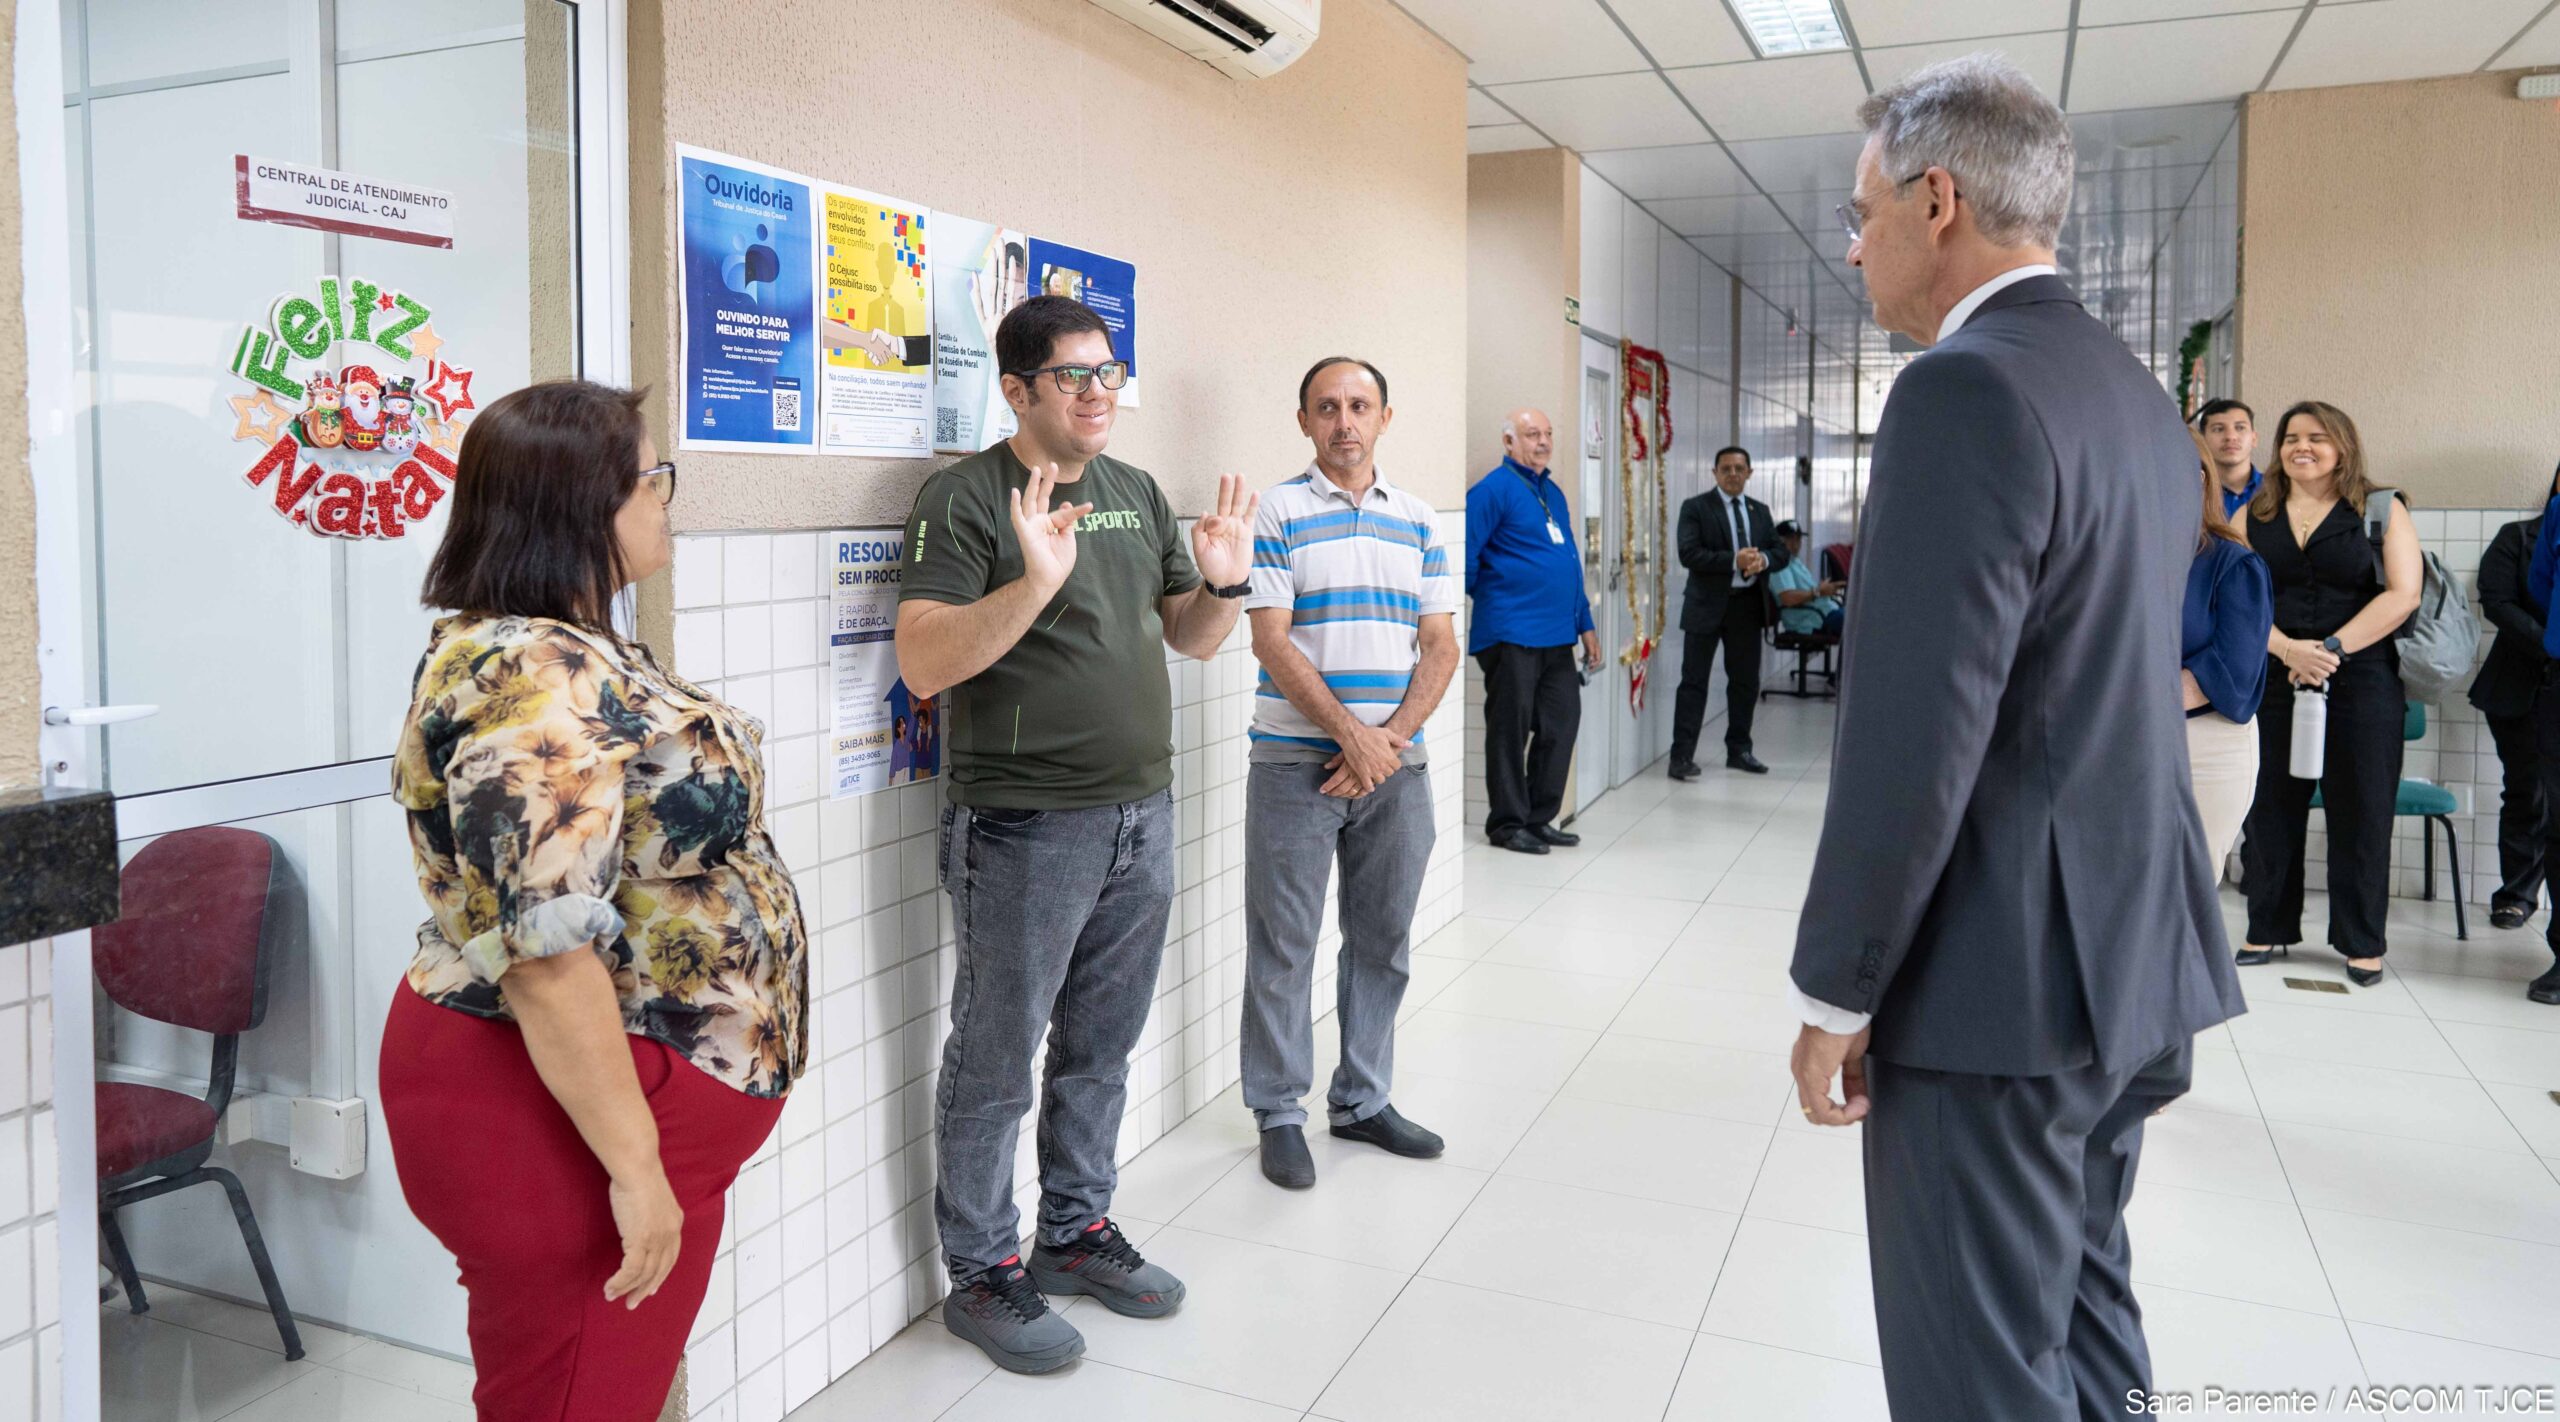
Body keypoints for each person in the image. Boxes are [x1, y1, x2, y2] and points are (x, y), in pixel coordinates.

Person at [1786, 55, 2244, 1421]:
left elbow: (1916, 737)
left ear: (1937, 201)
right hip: (2130, 956)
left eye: (1863, 211)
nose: (1853, 245)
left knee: (1978, 1374)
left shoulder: (1961, 391)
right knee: (2083, 1316)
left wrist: (1837, 993)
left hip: (2001, 986)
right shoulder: (2129, 395)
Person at [379, 381, 807, 1420]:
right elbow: (542, 948)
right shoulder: (532, 672)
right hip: (559, 1110)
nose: (665, 498)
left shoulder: (565, 643)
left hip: (605, 1101)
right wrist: (636, 1166)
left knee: (595, 1387)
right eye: (651, 478)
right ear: (580, 506)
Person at [895, 294, 1256, 1373]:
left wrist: (1227, 583)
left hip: (1142, 811)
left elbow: (1193, 637)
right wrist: (1031, 584)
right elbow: (923, 660)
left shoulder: (1133, 491)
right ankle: (981, 1273)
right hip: (1023, 827)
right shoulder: (964, 498)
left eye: (1109, 372)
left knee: (1100, 1047)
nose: (1099, 393)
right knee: (997, 1059)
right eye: (1073, 375)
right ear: (1016, 389)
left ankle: (1074, 1231)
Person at [1240, 356, 1459, 1190]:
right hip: (1294, 762)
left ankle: (1363, 1100)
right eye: (1327, 407)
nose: (1344, 422)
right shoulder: (1278, 510)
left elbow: (1439, 644)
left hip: (1396, 769)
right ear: (1304, 421)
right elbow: (1270, 638)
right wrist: (1350, 738)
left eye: (1360, 406)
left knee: (1382, 941)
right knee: (1284, 946)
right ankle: (1279, 1113)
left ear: (1384, 419)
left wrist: (1385, 743)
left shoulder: (1418, 520)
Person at [2235, 402, 2421, 986]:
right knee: (2269, 808)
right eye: (2292, 437)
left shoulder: (2381, 508)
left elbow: (2403, 595)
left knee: (2362, 809)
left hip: (2362, 678)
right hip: (2275, 673)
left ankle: (2361, 942)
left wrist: (2330, 650)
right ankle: (2266, 926)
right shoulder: (2253, 513)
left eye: (2317, 437)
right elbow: (2235, 596)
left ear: (2343, 446)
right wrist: (2289, 650)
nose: (2302, 447)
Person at [1465, 408, 1603, 854]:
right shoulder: (1492, 491)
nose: (1543, 442)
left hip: (1558, 635)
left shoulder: (1552, 492)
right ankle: (1507, 824)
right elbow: (1465, 560)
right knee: (1510, 729)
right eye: (1531, 434)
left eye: (1547, 433)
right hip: (1511, 633)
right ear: (1509, 442)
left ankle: (1539, 818)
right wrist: (1497, 599)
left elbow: (1570, 565)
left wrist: (1585, 625)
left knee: (1560, 724)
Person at [1669, 447, 1789, 778]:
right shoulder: (1695, 508)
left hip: (1746, 608)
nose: (1733, 474)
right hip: (1705, 607)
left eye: (1739, 468)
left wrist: (1762, 560)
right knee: (1694, 682)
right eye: (1726, 469)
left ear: (1749, 473)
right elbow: (1688, 553)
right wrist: (1733, 560)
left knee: (1745, 682)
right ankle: (1681, 757)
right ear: (1715, 473)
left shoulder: (1759, 511)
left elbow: (1780, 552)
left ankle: (1739, 750)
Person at [2185, 438, 2274, 869]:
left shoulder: (2233, 564)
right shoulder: (2113, 558)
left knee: (2186, 889)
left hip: (2206, 747)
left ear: (2201, 480)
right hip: (2120, 737)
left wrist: (2123, 696)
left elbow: (2228, 674)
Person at [2470, 491, 2549, 932]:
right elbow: (2496, 601)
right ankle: (2517, 896)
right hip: (2520, 686)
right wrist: (2552, 644)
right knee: (2528, 791)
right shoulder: (2517, 536)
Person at [1765, 519, 1844, 637]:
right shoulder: (1779, 566)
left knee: (1862, 613)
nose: (1796, 544)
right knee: (1861, 621)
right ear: (1779, 541)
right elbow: (1787, 598)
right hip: (1812, 620)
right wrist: (1819, 592)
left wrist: (1827, 589)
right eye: (1790, 539)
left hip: (1826, 611)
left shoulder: (1794, 562)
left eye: (1798, 539)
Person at [2198, 397, 2261, 518]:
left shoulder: (2277, 490)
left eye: (2240, 428)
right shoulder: (2191, 492)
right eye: (2218, 429)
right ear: (2203, 441)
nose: (2230, 436)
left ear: (2254, 439)